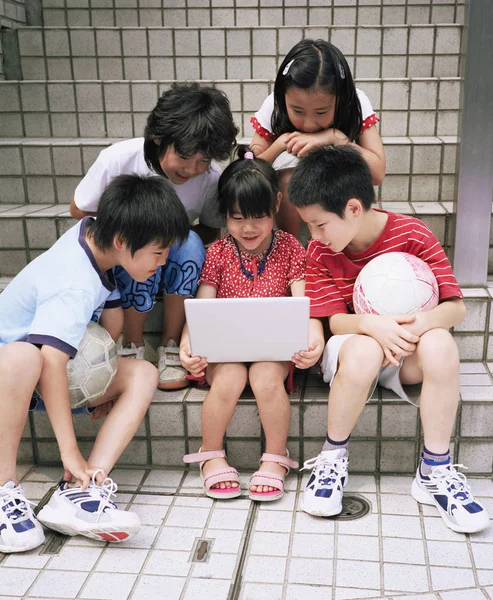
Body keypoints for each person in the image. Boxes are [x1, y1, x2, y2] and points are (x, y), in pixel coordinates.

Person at [287, 145, 490, 534]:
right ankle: (332, 457)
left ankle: (435, 470)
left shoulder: (411, 234)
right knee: (364, 349)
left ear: (353, 208)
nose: (313, 235)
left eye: (319, 224)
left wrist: (414, 328)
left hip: (405, 352)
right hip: (353, 351)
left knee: (442, 344)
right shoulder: (319, 251)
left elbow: (456, 308)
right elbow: (335, 321)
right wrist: (373, 325)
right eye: (308, 226)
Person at [0, 174, 190, 553]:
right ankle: (4, 489)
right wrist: (70, 452)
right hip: (13, 375)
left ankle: (80, 492)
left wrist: (101, 376)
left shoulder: (93, 236)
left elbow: (112, 321)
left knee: (143, 373)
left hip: (42, 373)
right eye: (158, 252)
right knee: (23, 357)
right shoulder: (73, 280)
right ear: (123, 242)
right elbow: (51, 362)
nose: (163, 261)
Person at [70, 82, 239, 391]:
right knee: (139, 241)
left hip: (174, 260)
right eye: (186, 157)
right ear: (159, 138)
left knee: (187, 242)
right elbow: (79, 210)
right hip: (125, 258)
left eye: (204, 160)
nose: (193, 169)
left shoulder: (210, 178)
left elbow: (212, 230)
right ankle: (131, 342)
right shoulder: (118, 160)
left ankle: (172, 344)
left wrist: (168, 241)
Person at [179, 147, 322, 501]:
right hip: (223, 351)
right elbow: (202, 306)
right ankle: (210, 454)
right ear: (224, 214)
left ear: (276, 204)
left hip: (271, 351)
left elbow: (305, 306)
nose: (248, 227)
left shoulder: (291, 249)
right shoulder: (217, 252)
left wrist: (311, 341)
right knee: (229, 376)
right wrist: (188, 344)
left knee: (264, 376)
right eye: (237, 217)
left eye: (258, 216)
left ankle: (276, 457)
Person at [250, 39, 386, 238]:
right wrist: (281, 143)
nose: (309, 124)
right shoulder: (274, 105)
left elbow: (377, 173)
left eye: (321, 112)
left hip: (341, 183)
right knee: (288, 178)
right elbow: (251, 170)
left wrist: (336, 138)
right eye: (297, 111)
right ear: (283, 96)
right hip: (290, 191)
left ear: (340, 99)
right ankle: (292, 247)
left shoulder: (355, 103)